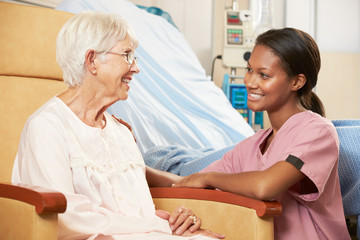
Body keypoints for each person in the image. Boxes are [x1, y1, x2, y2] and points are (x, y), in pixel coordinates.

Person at [11, 11, 224, 240]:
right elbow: (65, 218)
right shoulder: (46, 127)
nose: (136, 68)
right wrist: (158, 227)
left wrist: (178, 222)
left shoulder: (121, 132)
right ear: (92, 60)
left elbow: (141, 210)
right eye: (127, 55)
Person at [173, 28, 351, 240]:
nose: (250, 82)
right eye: (249, 70)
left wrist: (208, 178)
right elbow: (187, 181)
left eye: (263, 75)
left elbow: (265, 186)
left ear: (297, 82)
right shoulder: (252, 146)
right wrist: (137, 167)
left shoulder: (317, 132)